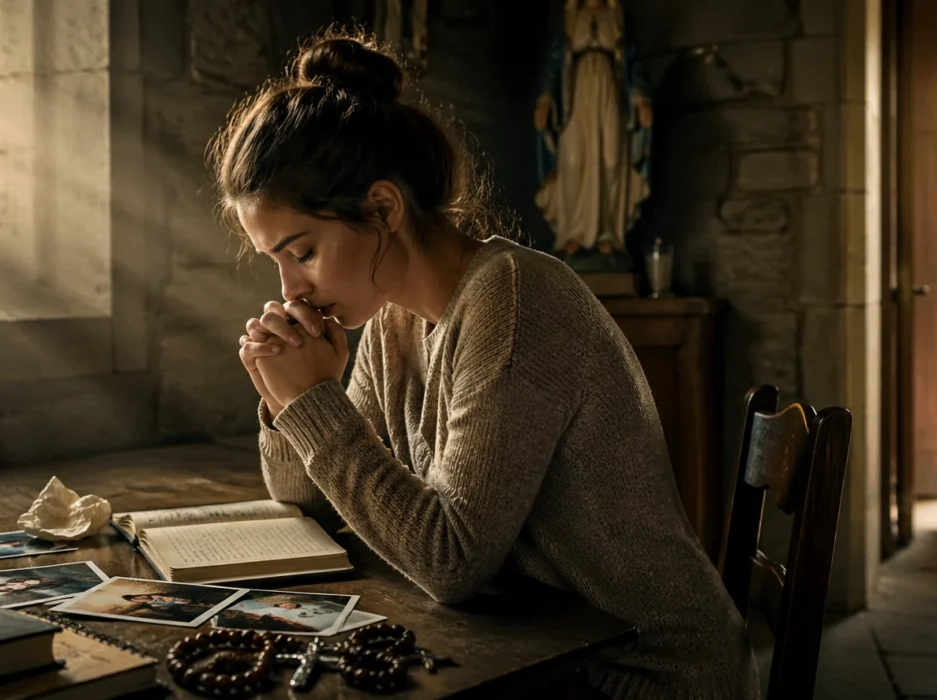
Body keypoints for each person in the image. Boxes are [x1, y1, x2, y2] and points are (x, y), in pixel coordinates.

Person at [216, 31, 756, 700]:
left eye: (302, 252)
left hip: (640, 676)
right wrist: (286, 398)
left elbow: (449, 561)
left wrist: (313, 407)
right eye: (276, 261)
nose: (289, 290)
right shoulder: (392, 318)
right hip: (529, 653)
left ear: (383, 208)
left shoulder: (517, 301)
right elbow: (308, 503)